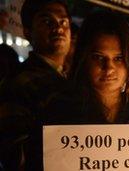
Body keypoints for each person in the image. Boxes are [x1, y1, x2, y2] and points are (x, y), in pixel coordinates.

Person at [0, 0, 71, 170]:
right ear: (27, 32)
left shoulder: (73, 79)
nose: (58, 28)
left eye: (63, 22)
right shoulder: (19, 83)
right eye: (47, 21)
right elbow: (14, 155)